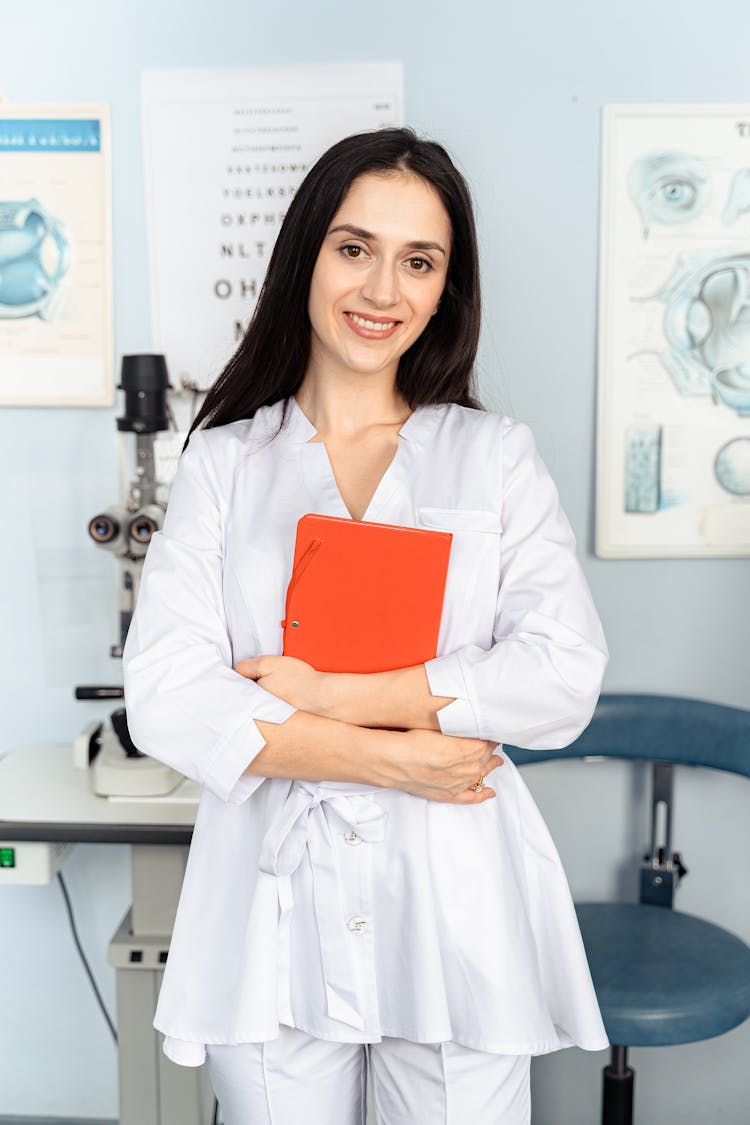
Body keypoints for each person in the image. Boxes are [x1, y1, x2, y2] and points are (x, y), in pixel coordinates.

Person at [123, 127, 609, 1125]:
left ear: (445, 291)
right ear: (306, 255)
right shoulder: (223, 462)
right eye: (355, 248)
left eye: (418, 261)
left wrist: (333, 698)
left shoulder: (493, 457)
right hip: (268, 912)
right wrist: (388, 756)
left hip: (454, 901)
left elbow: (561, 672)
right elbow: (168, 696)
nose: (382, 288)